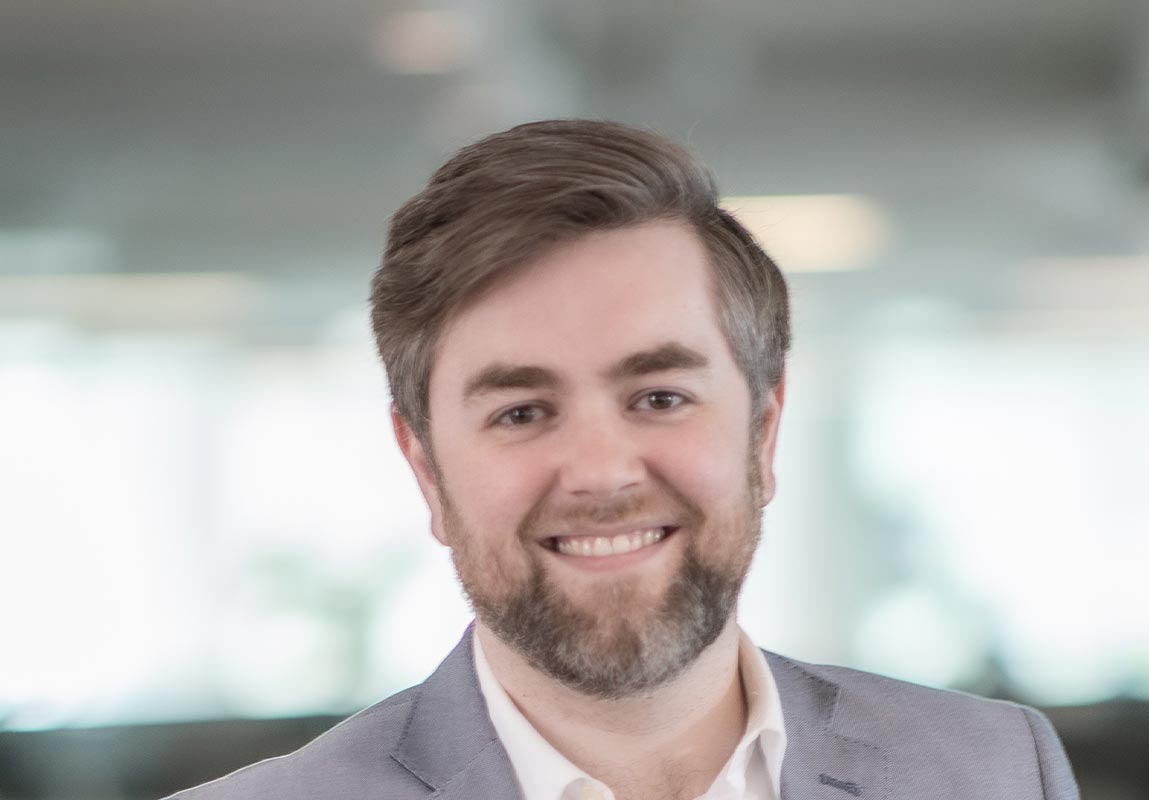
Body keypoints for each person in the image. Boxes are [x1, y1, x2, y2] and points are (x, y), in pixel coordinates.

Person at [170, 119, 1079, 800]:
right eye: (522, 411)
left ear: (763, 433)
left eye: (659, 398)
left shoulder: (992, 770)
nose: (601, 471)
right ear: (426, 470)